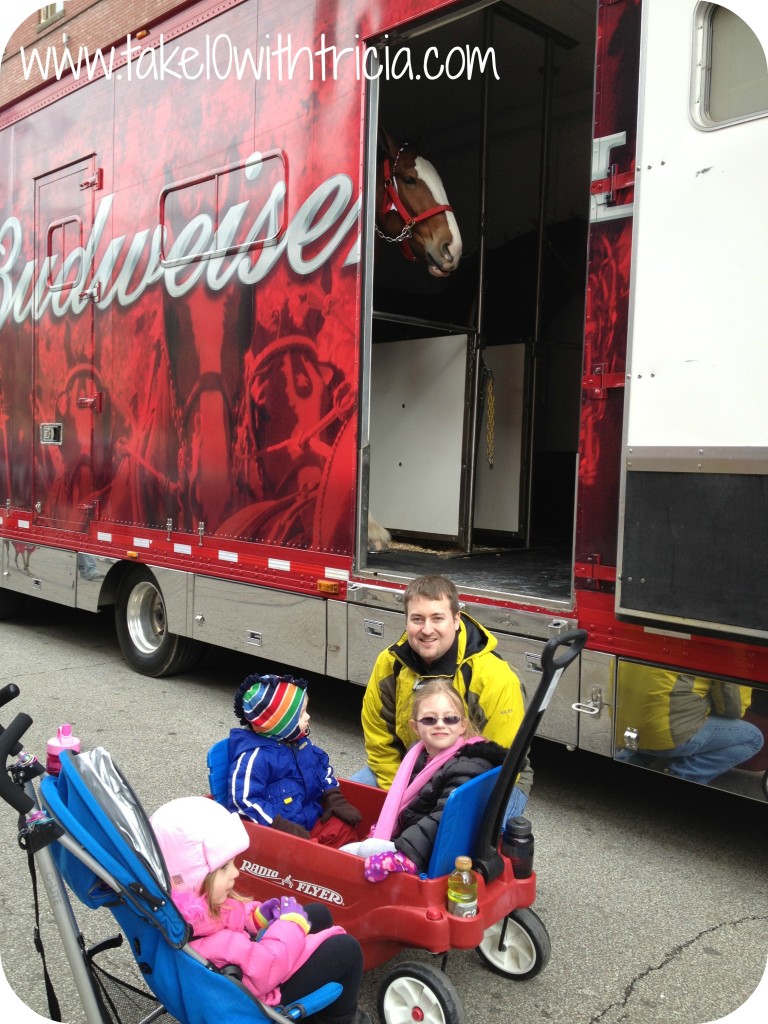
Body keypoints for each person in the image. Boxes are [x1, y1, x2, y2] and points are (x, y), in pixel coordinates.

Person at [150, 796, 369, 1024]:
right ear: (192, 878)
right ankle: (343, 1019)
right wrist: (289, 924)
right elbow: (267, 966)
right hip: (260, 999)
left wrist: (255, 917)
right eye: (225, 867)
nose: (235, 872)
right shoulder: (216, 944)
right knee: (347, 950)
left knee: (318, 914)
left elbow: (228, 917)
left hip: (248, 973)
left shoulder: (190, 916)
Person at [354, 575, 531, 817]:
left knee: (455, 839)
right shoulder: (389, 664)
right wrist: (400, 798)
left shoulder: (495, 677)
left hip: (486, 780)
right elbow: (379, 739)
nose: (427, 630)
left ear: (456, 619)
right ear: (406, 621)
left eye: (437, 618)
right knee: (349, 804)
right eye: (417, 619)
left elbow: (499, 760)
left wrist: (437, 802)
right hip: (410, 768)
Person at [343, 679, 507, 878]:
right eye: (429, 720)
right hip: (414, 837)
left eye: (450, 719)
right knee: (349, 852)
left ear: (463, 725)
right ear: (415, 726)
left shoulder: (468, 763)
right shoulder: (419, 754)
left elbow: (443, 818)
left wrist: (406, 854)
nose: (440, 725)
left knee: (348, 857)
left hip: (424, 852)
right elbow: (406, 803)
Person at [227, 673, 362, 846]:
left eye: (306, 711)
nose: (308, 717)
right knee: (316, 853)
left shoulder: (299, 743)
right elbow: (244, 801)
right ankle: (327, 867)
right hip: (282, 835)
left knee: (344, 826)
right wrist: (280, 827)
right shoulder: (254, 757)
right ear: (276, 723)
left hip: (311, 820)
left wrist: (333, 797)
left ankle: (347, 865)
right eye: (300, 715)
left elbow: (321, 767)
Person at [615, 664, 764, 784]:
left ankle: (631, 758)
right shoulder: (721, 654)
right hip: (664, 736)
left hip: (623, 730)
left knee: (659, 707)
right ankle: (683, 775)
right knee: (753, 738)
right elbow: (732, 710)